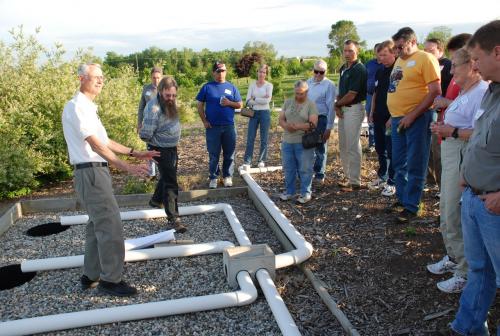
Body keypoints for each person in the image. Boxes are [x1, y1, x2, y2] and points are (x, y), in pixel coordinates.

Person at [62, 63, 159, 297]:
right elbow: (94, 144)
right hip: (90, 171)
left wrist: (136, 153)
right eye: (95, 77)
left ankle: (91, 275)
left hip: (95, 171)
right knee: (110, 225)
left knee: (97, 225)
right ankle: (110, 280)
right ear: (81, 78)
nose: (100, 81)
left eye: (102, 78)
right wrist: (126, 167)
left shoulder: (88, 108)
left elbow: (105, 141)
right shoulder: (76, 107)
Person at [450, 20, 500, 335]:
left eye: (477, 58)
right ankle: (467, 328)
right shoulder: (492, 91)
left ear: (497, 52)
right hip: (474, 197)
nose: (475, 66)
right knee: (479, 272)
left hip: (495, 205)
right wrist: (467, 177)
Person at [428, 48, 488, 294]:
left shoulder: (482, 92)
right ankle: (454, 257)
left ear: (472, 65)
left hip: (463, 152)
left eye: (455, 66)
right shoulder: (467, 91)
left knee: (454, 209)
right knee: (447, 208)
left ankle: (465, 271)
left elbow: (482, 133)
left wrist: (451, 131)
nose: (451, 71)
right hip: (453, 151)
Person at [386, 27, 441, 223]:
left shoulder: (425, 58)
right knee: (399, 161)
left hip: (418, 118)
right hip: (397, 118)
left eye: (400, 46)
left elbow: (435, 90)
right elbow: (397, 88)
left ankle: (412, 206)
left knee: (416, 162)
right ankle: (402, 198)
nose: (398, 51)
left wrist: (412, 115)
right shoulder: (400, 60)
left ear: (412, 41)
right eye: (396, 47)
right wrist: (393, 114)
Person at [140, 76, 187, 233]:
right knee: (171, 182)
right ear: (160, 92)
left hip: (171, 147)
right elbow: (144, 134)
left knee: (168, 176)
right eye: (168, 95)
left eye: (174, 95)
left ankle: (155, 201)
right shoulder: (153, 109)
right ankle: (174, 218)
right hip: (160, 148)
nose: (171, 98)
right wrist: (153, 144)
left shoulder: (171, 103)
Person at [196, 61, 242, 189]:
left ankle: (227, 176)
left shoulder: (231, 87)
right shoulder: (207, 87)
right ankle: (213, 177)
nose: (221, 73)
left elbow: (239, 104)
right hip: (213, 127)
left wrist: (229, 103)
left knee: (229, 153)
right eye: (218, 71)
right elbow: (199, 105)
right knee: (213, 154)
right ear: (213, 73)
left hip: (229, 126)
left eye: (223, 71)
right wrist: (204, 121)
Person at [335, 40, 368, 191]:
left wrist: (337, 105)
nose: (347, 54)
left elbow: (351, 94)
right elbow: (341, 92)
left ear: (357, 52)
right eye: (345, 51)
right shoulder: (343, 68)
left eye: (351, 51)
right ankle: (348, 176)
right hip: (343, 108)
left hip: (353, 108)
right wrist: (338, 105)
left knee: (353, 145)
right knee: (343, 145)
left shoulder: (359, 69)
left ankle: (355, 181)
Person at [279, 80, 318, 204]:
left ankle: (305, 193)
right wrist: (286, 126)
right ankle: (290, 192)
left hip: (303, 142)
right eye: (296, 93)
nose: (298, 96)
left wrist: (298, 126)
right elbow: (281, 119)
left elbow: (313, 124)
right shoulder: (288, 102)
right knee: (289, 168)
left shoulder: (311, 105)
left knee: (305, 168)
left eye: (301, 93)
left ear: (306, 92)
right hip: (287, 141)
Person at [424, 38, 453, 192]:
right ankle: (429, 181)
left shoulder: (447, 65)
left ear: (441, 51)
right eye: (425, 51)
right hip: (426, 111)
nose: (427, 54)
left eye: (431, 51)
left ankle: (443, 188)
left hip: (442, 114)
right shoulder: (426, 64)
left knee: (437, 151)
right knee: (427, 149)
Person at [368, 40, 397, 197]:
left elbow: (399, 96)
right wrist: (372, 112)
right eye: (379, 55)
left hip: (391, 117)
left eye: (385, 54)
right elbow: (376, 93)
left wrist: (393, 116)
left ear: (394, 53)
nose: (382, 58)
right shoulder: (380, 71)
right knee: (380, 148)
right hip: (378, 116)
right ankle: (382, 176)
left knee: (392, 150)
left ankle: (393, 182)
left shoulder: (397, 71)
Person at [306, 59, 336, 183]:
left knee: (320, 147)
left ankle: (319, 173)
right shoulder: (308, 82)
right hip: (308, 118)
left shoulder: (329, 85)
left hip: (321, 118)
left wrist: (329, 127)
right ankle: (308, 171)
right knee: (308, 146)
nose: (318, 74)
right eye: (316, 71)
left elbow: (331, 107)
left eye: (321, 72)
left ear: (326, 71)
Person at [242, 64, 273, 169]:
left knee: (264, 138)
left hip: (265, 113)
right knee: (250, 137)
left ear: (266, 74)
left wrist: (254, 98)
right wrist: (259, 99)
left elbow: (267, 101)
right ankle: (247, 161)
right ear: (257, 72)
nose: (261, 74)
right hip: (253, 113)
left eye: (264, 72)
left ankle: (261, 160)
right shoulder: (252, 85)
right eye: (260, 71)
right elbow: (247, 101)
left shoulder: (269, 85)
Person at [364, 44, 384, 152]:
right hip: (369, 95)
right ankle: (372, 144)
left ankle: (382, 144)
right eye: (377, 52)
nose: (379, 54)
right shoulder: (369, 64)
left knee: (381, 118)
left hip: (382, 97)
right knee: (370, 119)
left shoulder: (387, 64)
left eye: (381, 52)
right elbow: (364, 78)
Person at [137, 66, 163, 132]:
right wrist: (139, 123)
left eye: (158, 78)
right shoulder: (146, 89)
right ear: (151, 77)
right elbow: (141, 108)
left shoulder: (166, 89)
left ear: (161, 78)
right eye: (154, 78)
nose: (156, 80)